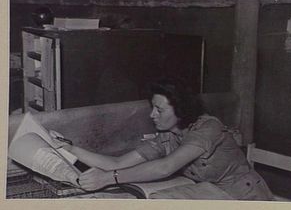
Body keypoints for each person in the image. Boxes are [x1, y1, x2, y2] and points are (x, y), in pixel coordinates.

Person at [57, 78, 274, 200]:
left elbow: (165, 168)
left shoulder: (209, 127)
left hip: (246, 196)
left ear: (180, 108)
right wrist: (70, 147)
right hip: (213, 189)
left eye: (159, 110)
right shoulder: (167, 136)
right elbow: (118, 163)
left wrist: (108, 179)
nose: (152, 115)